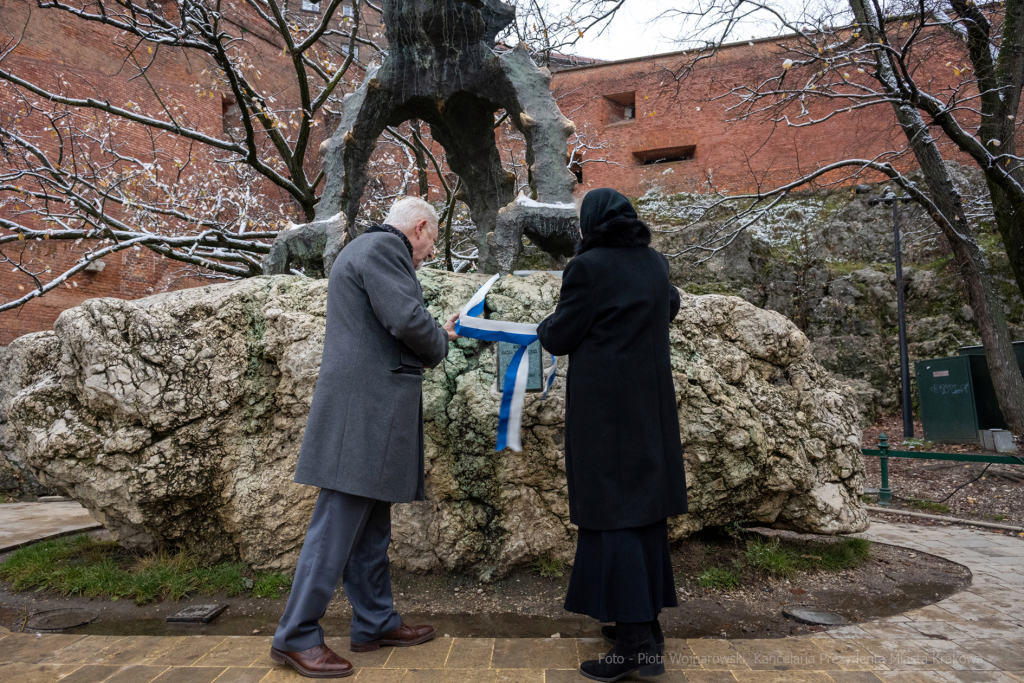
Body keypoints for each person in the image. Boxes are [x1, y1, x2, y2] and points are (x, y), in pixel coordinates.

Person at [270, 197, 460, 679]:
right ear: (418, 228)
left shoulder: (368, 250)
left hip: (369, 412)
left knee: (369, 530)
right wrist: (437, 340)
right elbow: (405, 320)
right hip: (364, 414)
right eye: (432, 240)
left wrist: (439, 330)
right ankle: (295, 637)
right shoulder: (382, 250)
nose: (431, 252)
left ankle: (374, 622)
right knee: (334, 530)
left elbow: (389, 323)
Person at [537, 188, 688, 682]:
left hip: (606, 416)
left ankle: (634, 647)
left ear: (591, 223)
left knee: (614, 518)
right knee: (644, 515)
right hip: (652, 411)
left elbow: (560, 334)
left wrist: (542, 326)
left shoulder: (588, 268)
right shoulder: (656, 263)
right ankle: (646, 623)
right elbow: (670, 307)